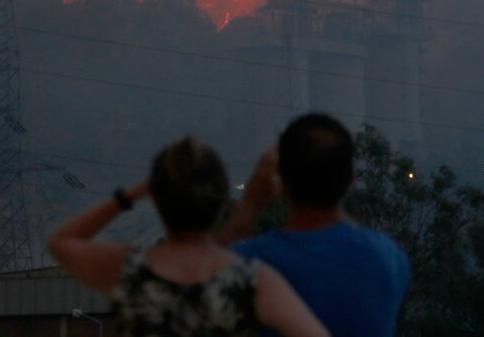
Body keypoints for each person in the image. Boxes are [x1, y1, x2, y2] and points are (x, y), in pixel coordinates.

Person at [48, 136, 330, 337]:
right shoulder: (252, 280)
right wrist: (251, 206)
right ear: (222, 202)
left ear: (156, 199)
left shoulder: (130, 271)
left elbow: (61, 241)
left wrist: (129, 195)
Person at [221, 114, 410, 337]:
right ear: (351, 178)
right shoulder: (388, 258)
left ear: (281, 179)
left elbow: (203, 294)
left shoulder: (250, 261)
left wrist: (250, 204)